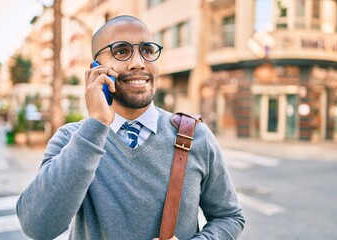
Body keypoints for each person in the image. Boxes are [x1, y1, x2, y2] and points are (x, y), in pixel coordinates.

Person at [16, 15, 245, 240]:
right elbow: (38, 227)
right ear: (96, 68)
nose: (138, 62)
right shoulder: (72, 139)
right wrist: (96, 124)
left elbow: (229, 216)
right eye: (122, 51)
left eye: (147, 50)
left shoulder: (196, 136)